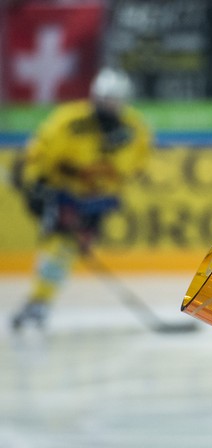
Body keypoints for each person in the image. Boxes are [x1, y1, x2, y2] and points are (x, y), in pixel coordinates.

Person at [10, 68, 152, 331]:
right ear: (95, 97)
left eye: (117, 101)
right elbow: (39, 155)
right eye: (107, 100)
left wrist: (109, 191)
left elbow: (135, 166)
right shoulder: (69, 121)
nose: (112, 106)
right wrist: (37, 185)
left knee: (72, 246)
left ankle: (40, 300)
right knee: (60, 246)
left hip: (98, 199)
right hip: (65, 193)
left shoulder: (133, 129)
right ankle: (40, 302)